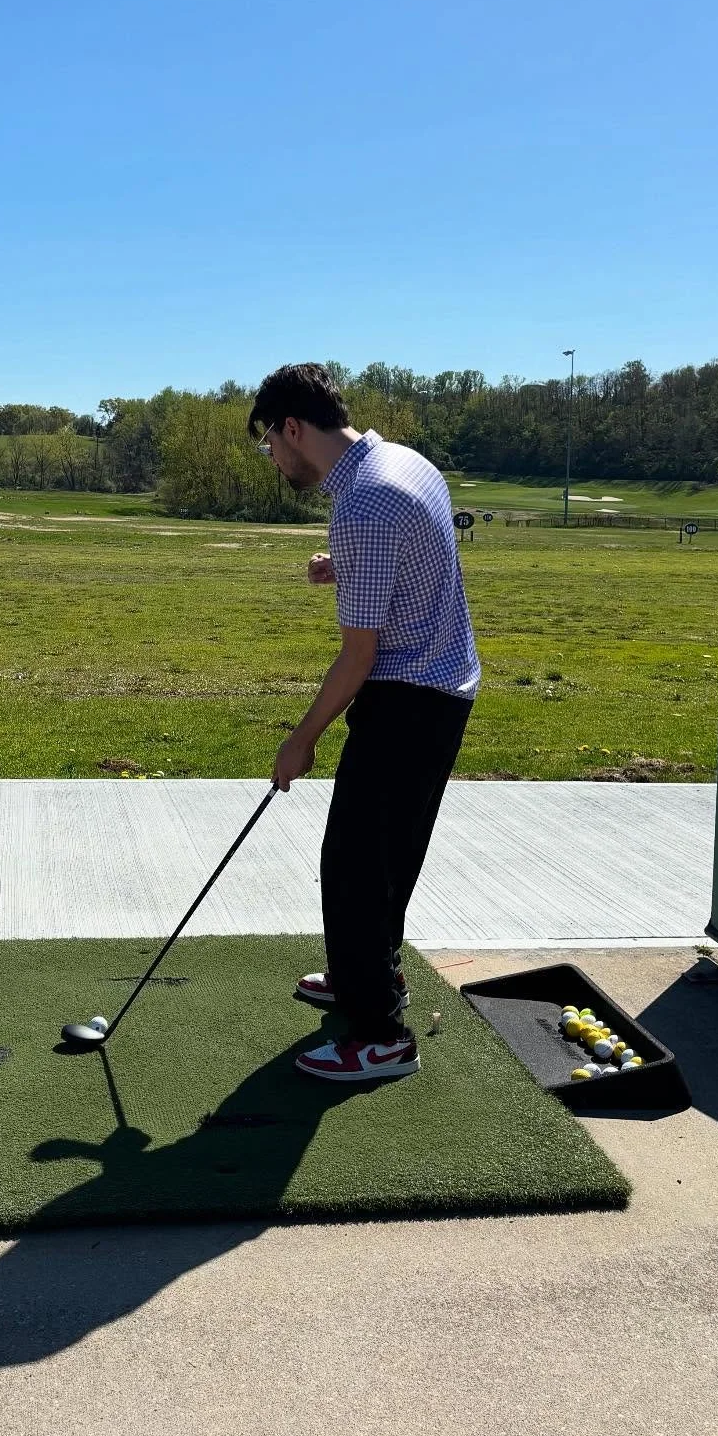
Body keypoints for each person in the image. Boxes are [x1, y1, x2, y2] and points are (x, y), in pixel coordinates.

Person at [249, 362, 480, 1082]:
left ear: (293, 428)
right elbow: (416, 567)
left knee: (354, 866)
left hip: (408, 699)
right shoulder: (400, 464)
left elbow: (357, 655)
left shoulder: (364, 504)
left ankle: (382, 1035)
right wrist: (346, 569)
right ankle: (369, 980)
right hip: (442, 685)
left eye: (269, 445)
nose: (273, 460)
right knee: (386, 858)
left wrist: (301, 740)